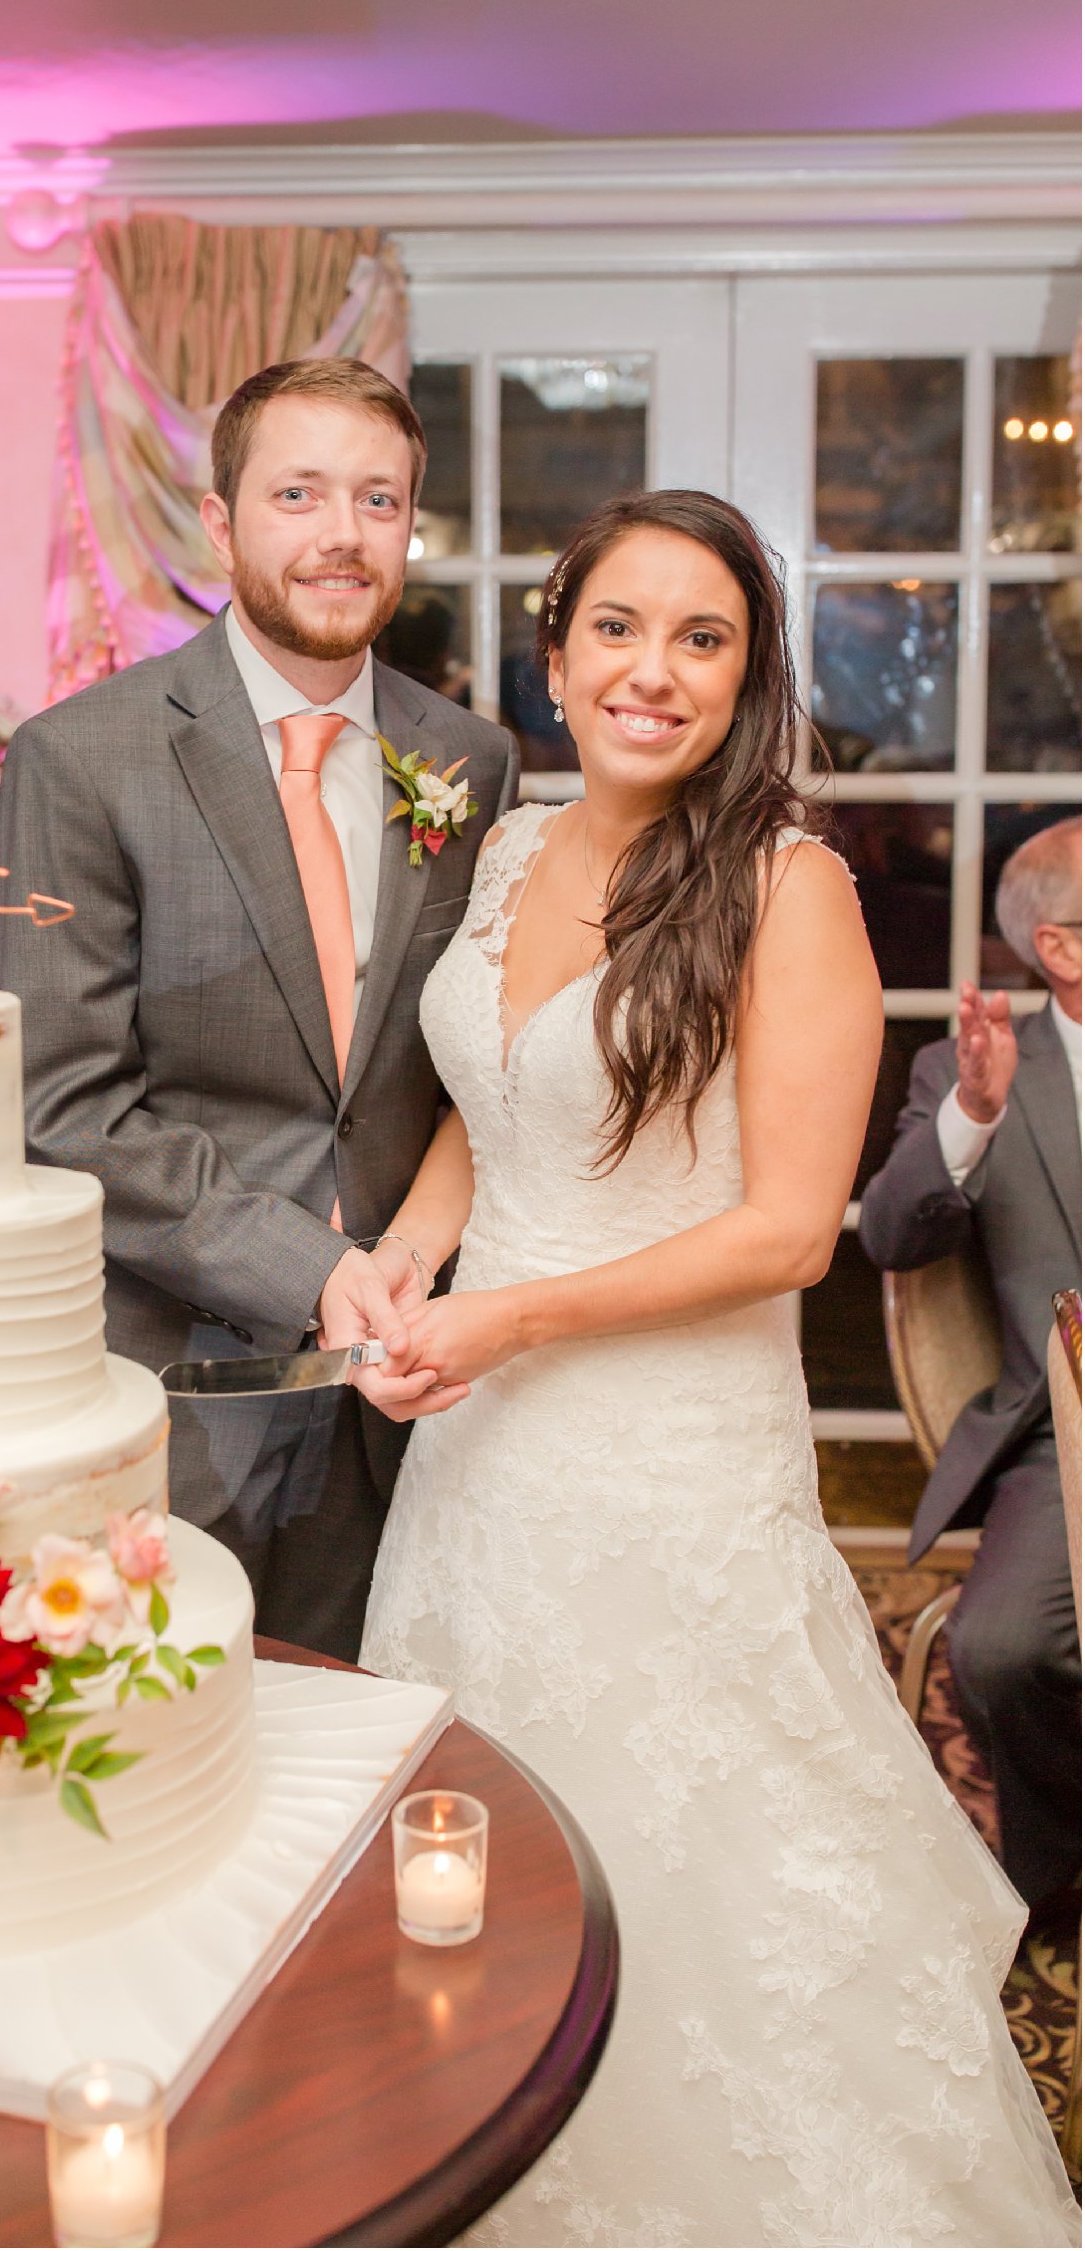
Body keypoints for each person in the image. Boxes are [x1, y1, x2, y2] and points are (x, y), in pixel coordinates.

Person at [358, 491, 1077, 2245]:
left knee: (701, 1852)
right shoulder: (512, 852)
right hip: (476, 1445)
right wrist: (410, 1251)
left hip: (668, 1446)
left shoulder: (788, 886)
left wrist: (509, 1317)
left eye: (704, 640)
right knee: (489, 1826)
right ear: (553, 651)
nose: (653, 672)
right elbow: (492, 1106)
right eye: (619, 628)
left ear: (747, 679)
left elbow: (787, 1234)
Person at [0, 357, 518, 1661]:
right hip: (186, 1383)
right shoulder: (81, 759)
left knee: (385, 1741)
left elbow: (480, 1064)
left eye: (380, 500)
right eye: (301, 493)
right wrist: (311, 1268)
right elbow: (61, 1106)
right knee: (174, 1745)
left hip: (422, 1379)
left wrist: (408, 1268)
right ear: (222, 522)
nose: (344, 534)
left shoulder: (472, 759)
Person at [860, 817, 1081, 1929]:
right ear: (1061, 950)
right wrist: (974, 1118)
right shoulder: (966, 1072)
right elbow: (890, 1236)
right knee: (998, 1651)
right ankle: (1055, 1875)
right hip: (1061, 1439)